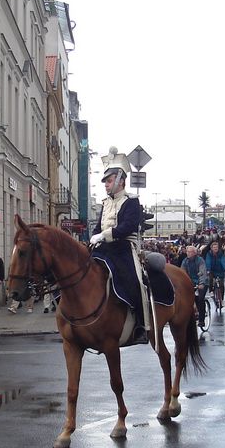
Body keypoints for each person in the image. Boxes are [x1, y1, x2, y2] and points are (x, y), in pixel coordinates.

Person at [89, 146, 149, 345]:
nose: (106, 185)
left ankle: (141, 325)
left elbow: (127, 226)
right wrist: (93, 237)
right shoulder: (105, 202)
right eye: (105, 181)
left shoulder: (131, 201)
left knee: (135, 281)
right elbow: (98, 226)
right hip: (104, 249)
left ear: (120, 180)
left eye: (109, 180)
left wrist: (103, 235)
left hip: (124, 248)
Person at [181, 245, 208, 328]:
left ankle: (201, 320)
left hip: (201, 283)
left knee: (200, 299)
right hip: (191, 283)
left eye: (190, 252)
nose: (188, 253)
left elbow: (202, 272)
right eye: (187, 252)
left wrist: (201, 283)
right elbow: (182, 272)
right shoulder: (185, 261)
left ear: (194, 253)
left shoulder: (200, 260)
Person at [203, 240, 225, 309]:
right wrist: (208, 269)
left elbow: (223, 261)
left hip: (220, 270)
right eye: (214, 247)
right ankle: (211, 291)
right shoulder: (209, 254)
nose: (215, 248)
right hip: (212, 270)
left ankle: (222, 299)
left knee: (222, 285)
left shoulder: (221, 254)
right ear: (211, 248)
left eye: (216, 247)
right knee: (210, 280)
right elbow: (208, 261)